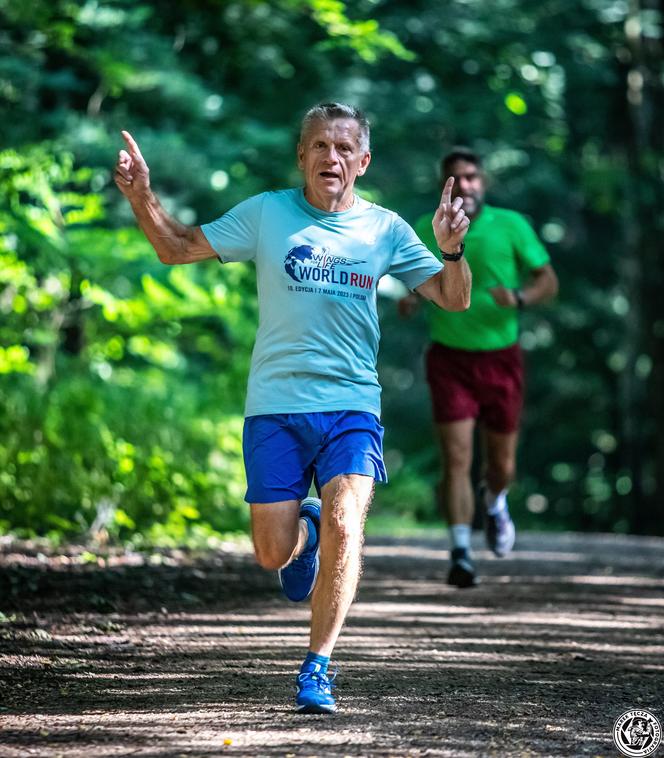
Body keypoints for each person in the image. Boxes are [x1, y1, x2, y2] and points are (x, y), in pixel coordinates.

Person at [114, 103, 472, 713]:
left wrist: (453, 251)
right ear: (301, 157)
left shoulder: (385, 228)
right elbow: (176, 248)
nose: (330, 158)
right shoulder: (266, 214)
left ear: (362, 161)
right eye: (318, 147)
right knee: (271, 553)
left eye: (342, 148)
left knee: (346, 523)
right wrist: (141, 196)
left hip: (351, 406)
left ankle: (318, 666)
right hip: (275, 407)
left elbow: (450, 298)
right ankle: (300, 536)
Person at [399, 147, 558, 589]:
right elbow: (417, 279)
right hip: (449, 357)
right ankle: (460, 552)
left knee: (501, 464)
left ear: (482, 182)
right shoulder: (425, 230)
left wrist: (522, 298)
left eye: (471, 176)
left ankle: (496, 500)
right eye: (456, 178)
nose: (465, 185)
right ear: (443, 187)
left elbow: (548, 279)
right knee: (456, 456)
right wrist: (413, 298)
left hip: (501, 357)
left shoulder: (511, 225)